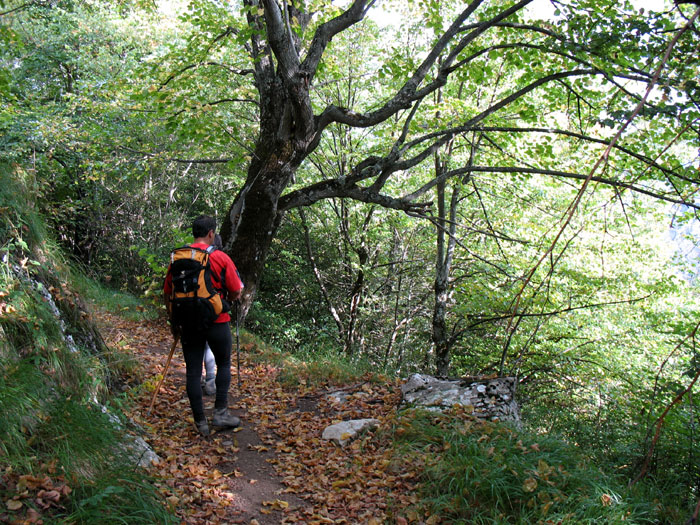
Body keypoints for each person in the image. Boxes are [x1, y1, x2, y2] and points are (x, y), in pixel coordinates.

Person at [163, 215, 244, 436]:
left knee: (192, 372)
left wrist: (174, 321)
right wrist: (228, 299)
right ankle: (220, 413)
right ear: (211, 233)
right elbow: (236, 290)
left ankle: (200, 422)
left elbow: (168, 291)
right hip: (217, 320)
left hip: (187, 322)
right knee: (224, 363)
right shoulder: (220, 257)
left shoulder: (177, 257)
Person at [201, 234, 224, 396]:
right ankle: (210, 379)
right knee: (209, 345)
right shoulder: (221, 258)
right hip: (214, 311)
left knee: (199, 345)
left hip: (190, 308)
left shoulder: (191, 256)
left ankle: (197, 381)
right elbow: (237, 287)